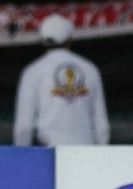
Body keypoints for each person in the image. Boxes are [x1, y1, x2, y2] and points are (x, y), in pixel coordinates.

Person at [12, 14, 109, 146]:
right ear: (69, 38)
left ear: (42, 40)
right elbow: (101, 125)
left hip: (48, 155)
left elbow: (24, 126)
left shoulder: (33, 71)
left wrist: (22, 158)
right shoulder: (90, 69)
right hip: (85, 152)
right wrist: (101, 154)